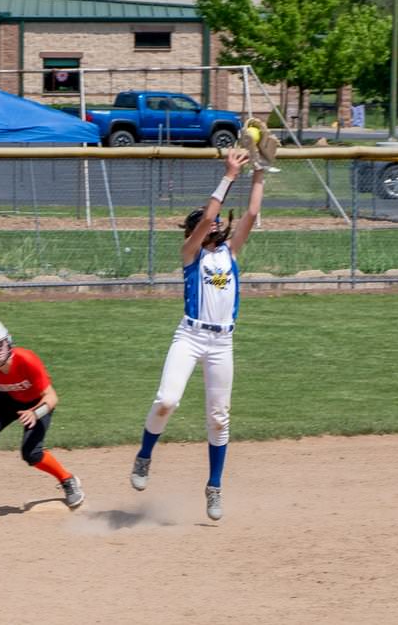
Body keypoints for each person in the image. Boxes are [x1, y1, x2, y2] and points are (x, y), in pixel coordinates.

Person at [129, 148, 265, 521]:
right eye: (210, 223)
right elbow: (206, 218)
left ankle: (214, 486)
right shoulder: (191, 254)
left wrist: (260, 172)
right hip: (190, 338)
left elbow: (251, 214)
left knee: (219, 418)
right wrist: (229, 175)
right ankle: (144, 456)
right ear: (194, 232)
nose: (217, 225)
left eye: (220, 223)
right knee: (167, 401)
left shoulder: (230, 253)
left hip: (222, 342)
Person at [0, 316, 85, 515]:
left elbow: (52, 397)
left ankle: (68, 480)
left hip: (38, 403)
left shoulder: (27, 359)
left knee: (31, 454)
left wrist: (35, 413)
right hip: (8, 399)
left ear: (8, 340)